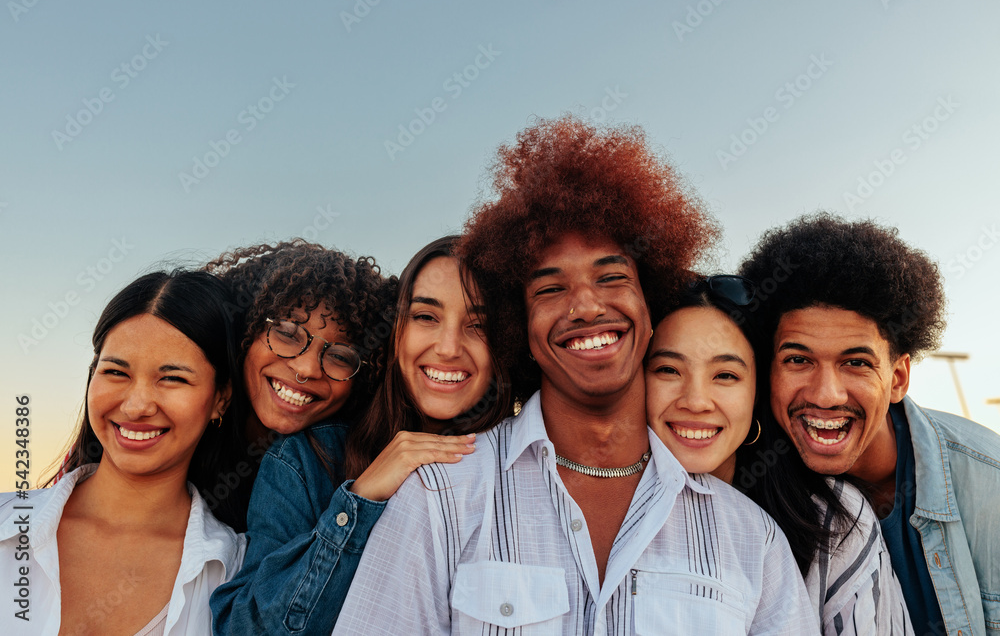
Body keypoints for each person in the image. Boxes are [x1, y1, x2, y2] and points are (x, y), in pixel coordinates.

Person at [333, 116, 818, 634]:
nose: (586, 306)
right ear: (521, 330)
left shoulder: (752, 539)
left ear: (649, 308)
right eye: (549, 289)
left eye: (611, 277)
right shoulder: (439, 500)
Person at [210, 236, 512, 635]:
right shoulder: (305, 461)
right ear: (394, 337)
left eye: (479, 326)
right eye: (425, 316)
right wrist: (359, 501)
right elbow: (242, 628)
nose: (448, 347)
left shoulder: (536, 469)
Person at [738, 213, 1000, 636]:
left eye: (856, 363)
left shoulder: (990, 485)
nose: (826, 395)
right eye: (798, 360)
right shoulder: (747, 489)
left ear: (897, 378)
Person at [645, 274, 912, 634]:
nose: (695, 401)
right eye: (667, 370)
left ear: (759, 390)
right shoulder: (597, 502)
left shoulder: (834, 521)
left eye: (725, 375)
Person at [0, 271, 246, 635]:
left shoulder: (238, 573)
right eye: (116, 372)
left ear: (220, 399)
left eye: (173, 378)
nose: (136, 406)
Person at [203, 240, 395, 531]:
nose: (306, 369)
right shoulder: (186, 435)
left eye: (340, 356)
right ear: (247, 328)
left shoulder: (360, 471)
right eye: (287, 334)